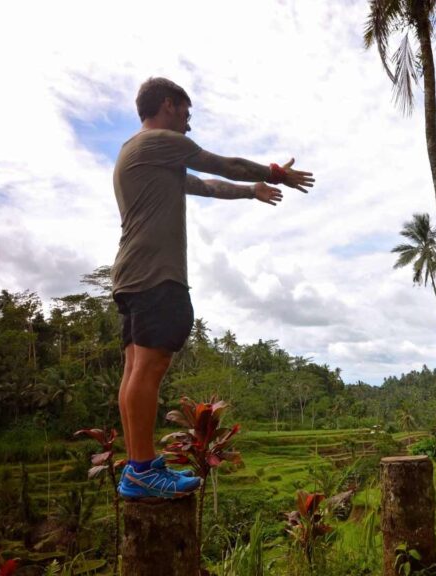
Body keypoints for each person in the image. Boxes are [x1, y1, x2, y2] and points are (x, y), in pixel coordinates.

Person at [111, 77, 314, 500]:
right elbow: (225, 164)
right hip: (154, 273)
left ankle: (138, 466)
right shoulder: (160, 142)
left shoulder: (142, 155)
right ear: (168, 105)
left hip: (133, 273)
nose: (188, 122)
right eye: (186, 111)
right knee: (147, 369)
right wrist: (275, 172)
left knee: (135, 369)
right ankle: (143, 469)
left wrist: (249, 193)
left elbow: (207, 186)